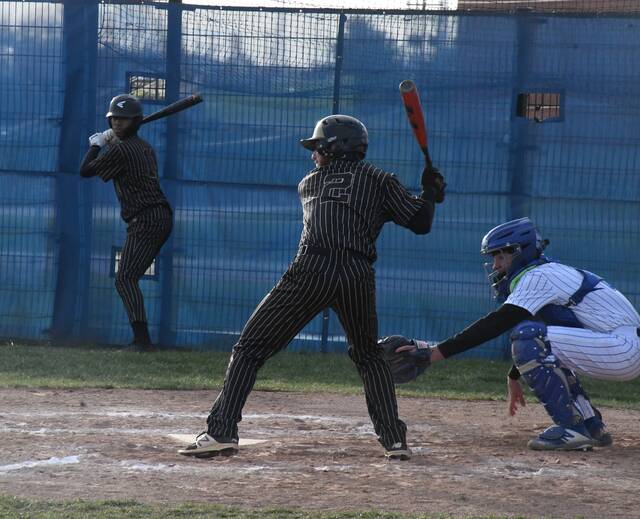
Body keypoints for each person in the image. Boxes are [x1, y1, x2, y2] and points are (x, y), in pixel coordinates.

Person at [178, 114, 445, 460]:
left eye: (318, 147)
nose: (313, 155)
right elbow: (421, 224)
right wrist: (429, 194)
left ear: (335, 148)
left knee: (249, 349)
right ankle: (395, 441)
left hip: (311, 269)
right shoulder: (380, 180)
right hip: (356, 273)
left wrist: (425, 195)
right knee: (368, 357)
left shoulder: (310, 183)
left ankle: (221, 431)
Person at [383, 217, 640, 451]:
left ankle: (572, 429)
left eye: (500, 256)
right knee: (536, 338)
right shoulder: (547, 273)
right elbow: (563, 335)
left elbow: (499, 322)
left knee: (527, 336)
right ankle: (590, 424)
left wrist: (435, 353)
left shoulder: (539, 276)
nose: (495, 265)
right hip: (621, 347)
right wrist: (514, 374)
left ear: (519, 252)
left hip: (622, 349)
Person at [79, 94, 173, 352]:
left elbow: (85, 170)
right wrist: (110, 142)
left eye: (124, 120)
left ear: (136, 121)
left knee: (125, 278)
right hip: (157, 216)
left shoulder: (121, 149)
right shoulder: (143, 146)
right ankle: (142, 340)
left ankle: (142, 342)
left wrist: (97, 145)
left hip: (148, 218)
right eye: (114, 120)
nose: (118, 124)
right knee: (127, 277)